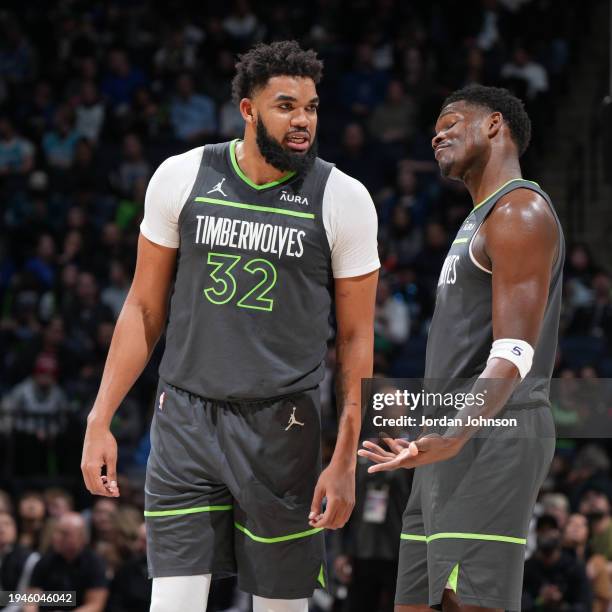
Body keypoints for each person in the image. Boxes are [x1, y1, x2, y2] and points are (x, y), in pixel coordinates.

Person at [81, 40, 379, 612]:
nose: (302, 122)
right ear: (248, 109)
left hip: (282, 426)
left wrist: (344, 458)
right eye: (286, 106)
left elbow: (356, 339)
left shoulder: (343, 198)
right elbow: (143, 308)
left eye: (311, 108)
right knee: (171, 600)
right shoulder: (182, 176)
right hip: (184, 417)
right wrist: (100, 418)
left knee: (279, 605)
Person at [359, 84, 564, 611]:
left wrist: (456, 432)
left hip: (494, 432)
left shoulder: (520, 211)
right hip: (450, 436)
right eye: (435, 128)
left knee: (465, 603)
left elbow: (515, 351)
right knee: (414, 602)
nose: (437, 134)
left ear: (495, 125)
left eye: (451, 122)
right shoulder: (477, 219)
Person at [25, 513, 108, 612]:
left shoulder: (95, 563)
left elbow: (95, 605)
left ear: (81, 537)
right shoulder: (46, 561)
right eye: (56, 532)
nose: (56, 537)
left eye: (64, 533)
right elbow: (31, 600)